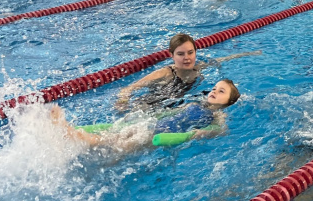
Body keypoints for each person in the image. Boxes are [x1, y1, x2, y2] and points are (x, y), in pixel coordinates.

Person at [53, 79, 242, 151]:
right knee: (119, 137)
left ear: (228, 102)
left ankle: (74, 137)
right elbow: (167, 113)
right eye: (215, 88)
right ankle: (75, 138)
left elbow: (220, 131)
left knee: (119, 142)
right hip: (151, 126)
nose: (215, 91)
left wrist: (203, 133)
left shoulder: (219, 116)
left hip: (155, 136)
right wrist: (145, 115)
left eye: (222, 92)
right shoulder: (195, 103)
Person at [115, 34, 257, 112]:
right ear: (172, 56)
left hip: (171, 109)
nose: (187, 58)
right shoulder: (165, 73)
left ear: (196, 52)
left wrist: (247, 54)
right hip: (146, 108)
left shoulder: (198, 68)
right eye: (180, 54)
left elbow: (221, 59)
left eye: (190, 52)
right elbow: (128, 89)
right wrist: (122, 102)